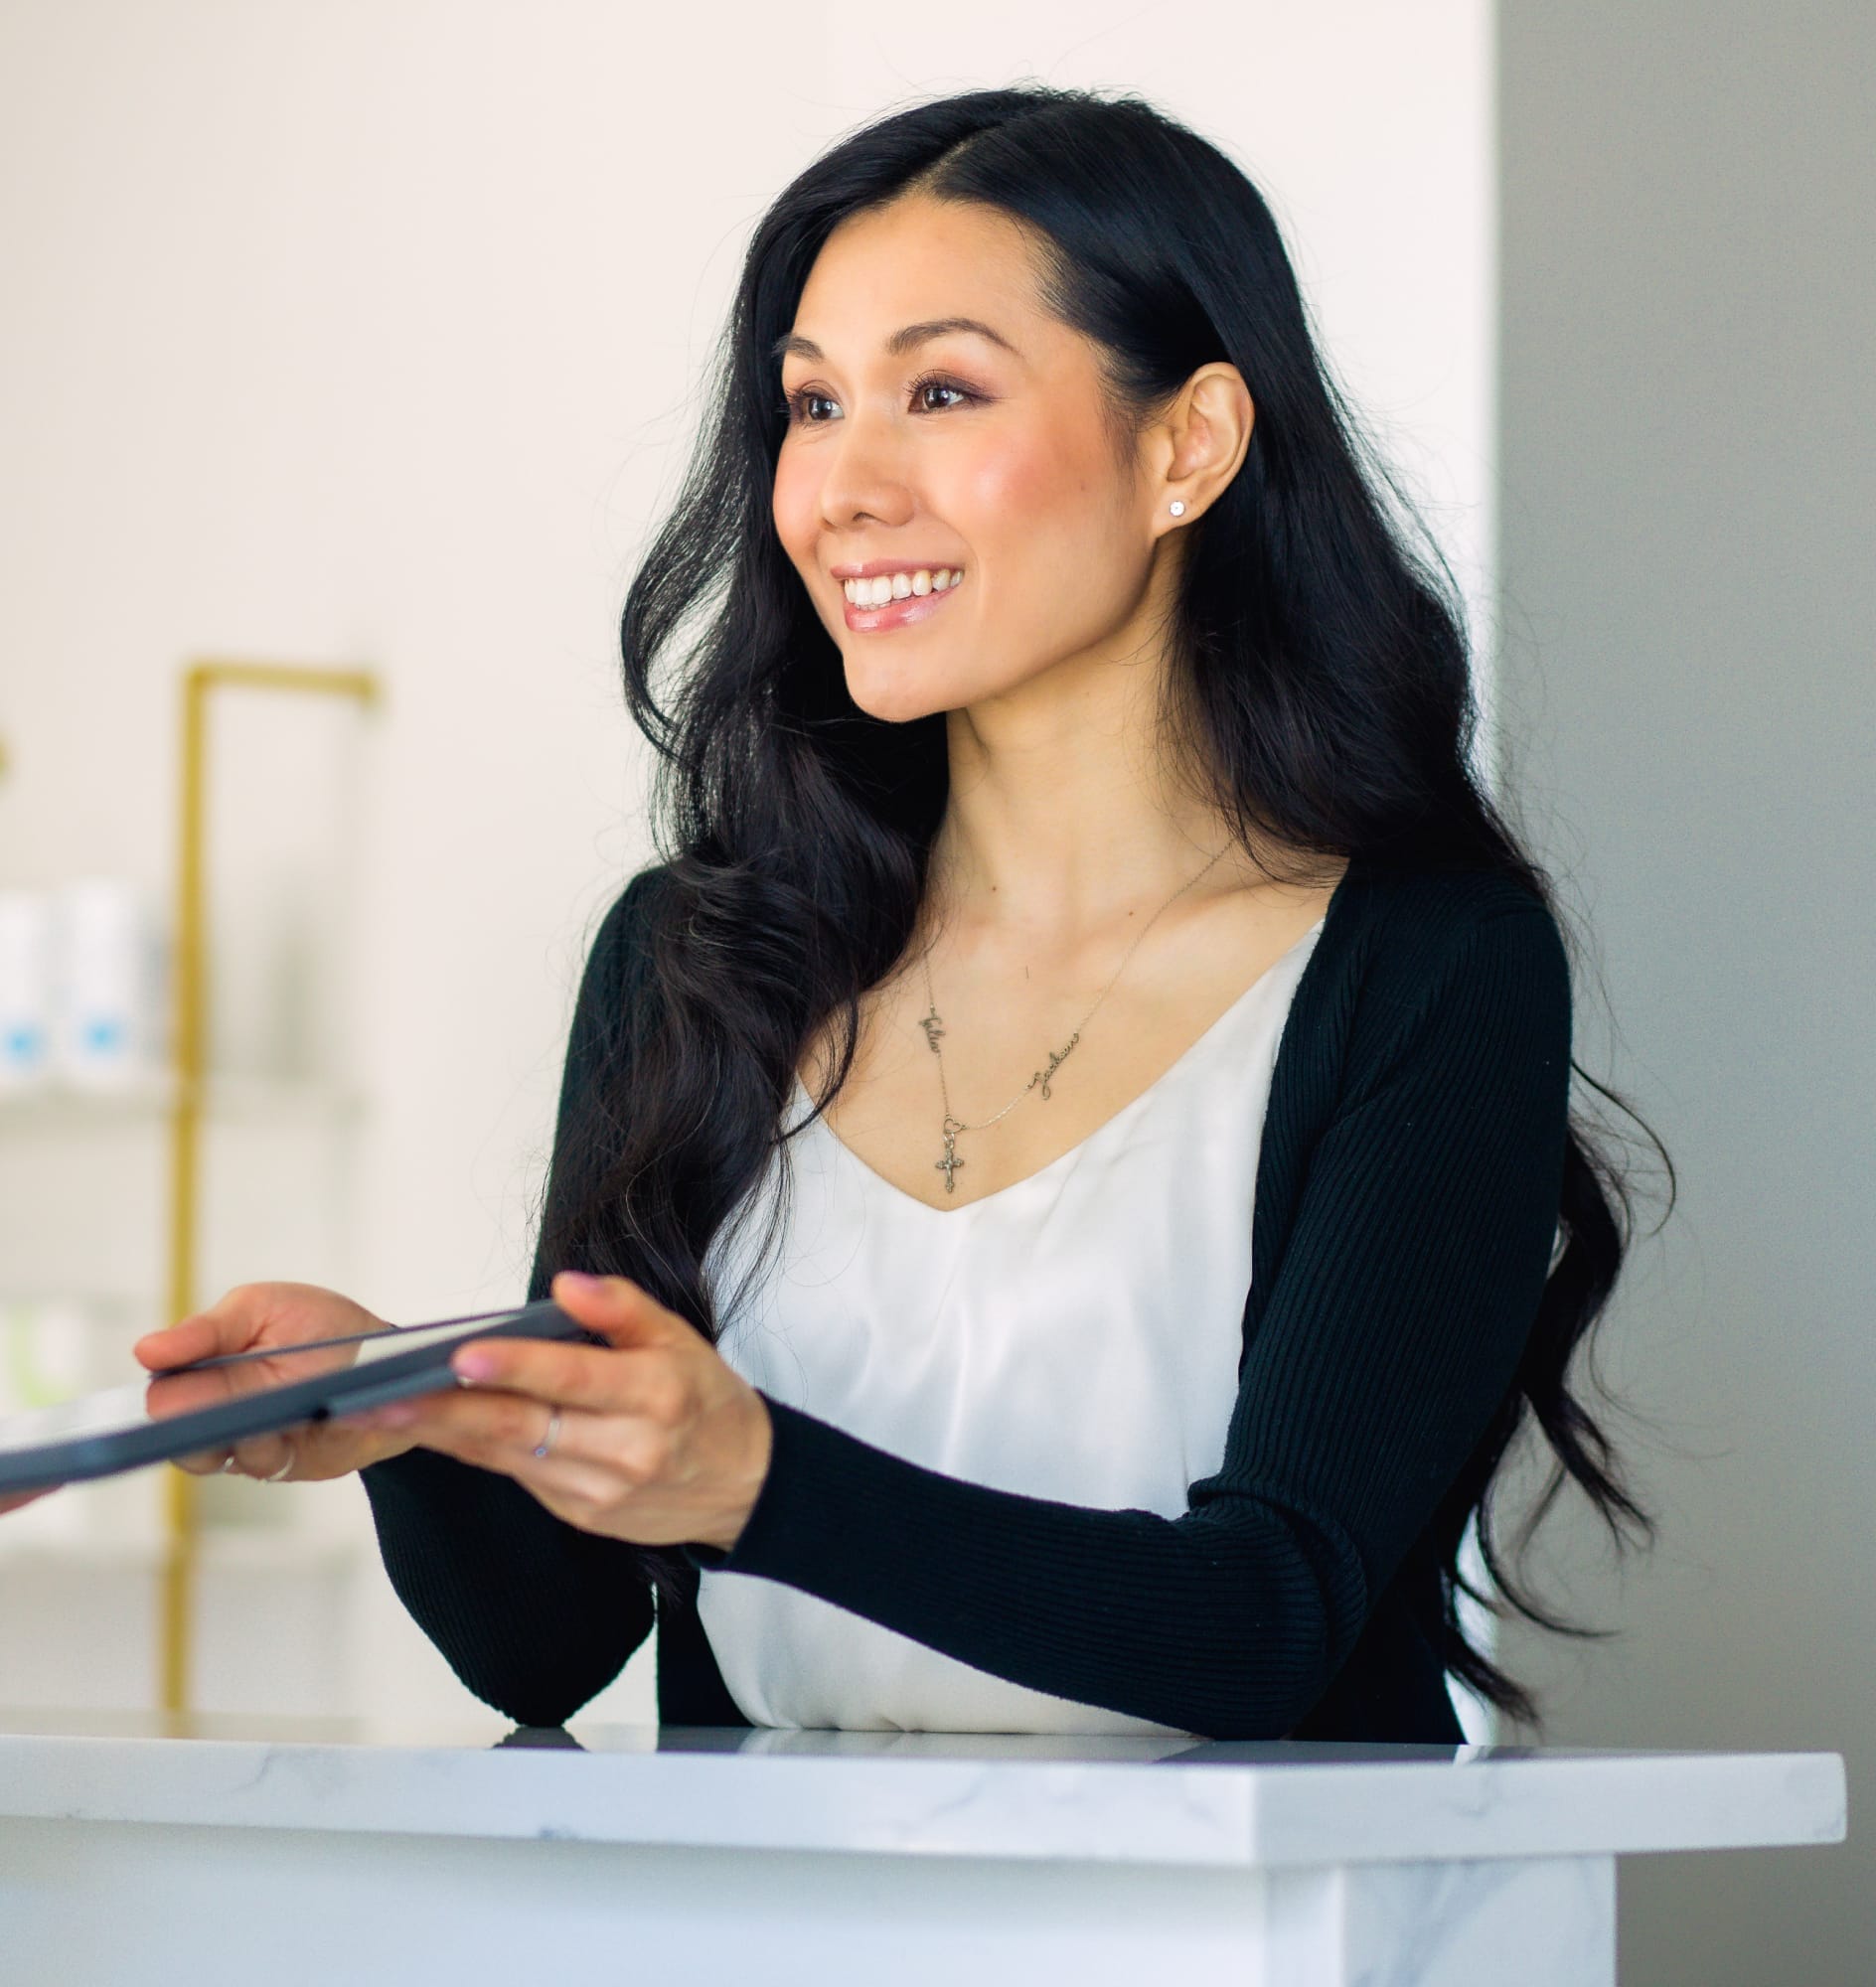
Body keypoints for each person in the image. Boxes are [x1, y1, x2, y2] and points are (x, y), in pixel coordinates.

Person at [134, 85, 1665, 1744]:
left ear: (1188, 445)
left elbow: (1269, 1618)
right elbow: (549, 1646)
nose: (839, 489)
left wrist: (758, 1481)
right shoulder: (695, 960)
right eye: (809, 404)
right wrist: (425, 1409)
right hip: (774, 1931)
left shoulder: (1424, 966)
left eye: (938, 391)